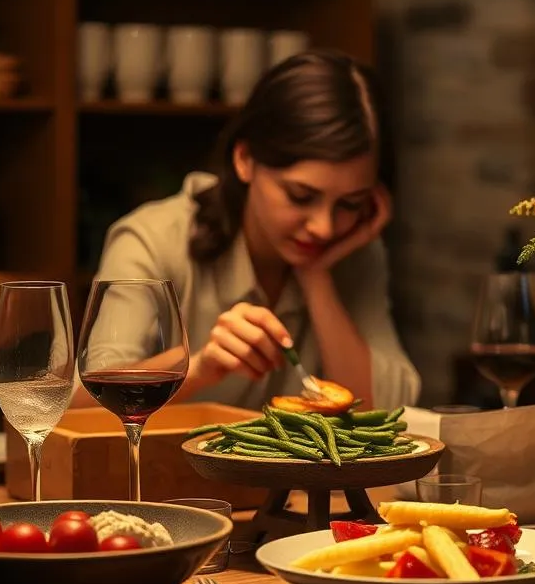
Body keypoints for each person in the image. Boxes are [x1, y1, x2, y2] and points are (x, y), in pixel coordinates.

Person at [71, 49, 420, 411]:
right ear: (245, 159)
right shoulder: (154, 240)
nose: (323, 227)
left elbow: (380, 411)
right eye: (301, 196)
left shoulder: (352, 250)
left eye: (349, 203)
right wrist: (200, 366)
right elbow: (77, 407)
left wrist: (316, 277)